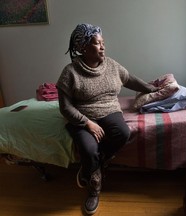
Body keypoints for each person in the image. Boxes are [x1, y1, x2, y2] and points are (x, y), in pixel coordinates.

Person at [56, 23, 158, 215]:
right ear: (83, 47)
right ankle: (94, 186)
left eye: (103, 42)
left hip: (109, 109)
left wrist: (151, 89)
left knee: (122, 133)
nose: (103, 46)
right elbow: (65, 107)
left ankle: (94, 166)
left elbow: (130, 79)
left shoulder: (112, 65)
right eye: (97, 43)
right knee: (88, 148)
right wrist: (87, 123)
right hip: (82, 115)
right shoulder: (70, 72)